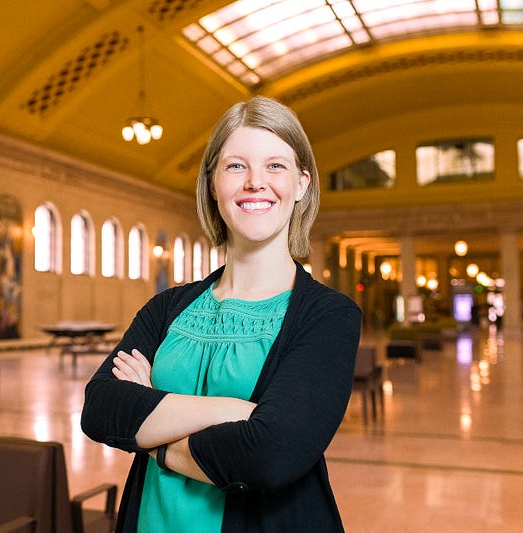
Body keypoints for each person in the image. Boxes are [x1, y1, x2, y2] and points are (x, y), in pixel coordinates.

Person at [81, 95, 362, 532]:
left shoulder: (329, 315)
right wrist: (233, 410)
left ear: (302, 184)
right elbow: (101, 408)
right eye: (235, 166)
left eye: (275, 166)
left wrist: (151, 434)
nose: (255, 182)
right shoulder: (167, 307)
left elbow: (270, 453)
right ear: (212, 183)